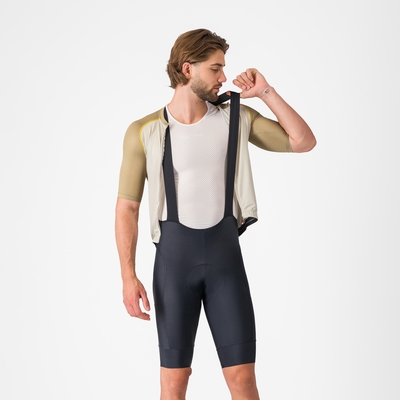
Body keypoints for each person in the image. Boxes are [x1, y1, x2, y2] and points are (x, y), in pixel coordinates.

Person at [115, 28, 316, 400]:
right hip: (173, 267)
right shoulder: (144, 131)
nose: (224, 77)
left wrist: (266, 92)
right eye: (216, 68)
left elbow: (303, 141)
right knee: (175, 380)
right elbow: (127, 206)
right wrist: (128, 276)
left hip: (226, 264)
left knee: (242, 379)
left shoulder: (234, 118)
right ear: (187, 69)